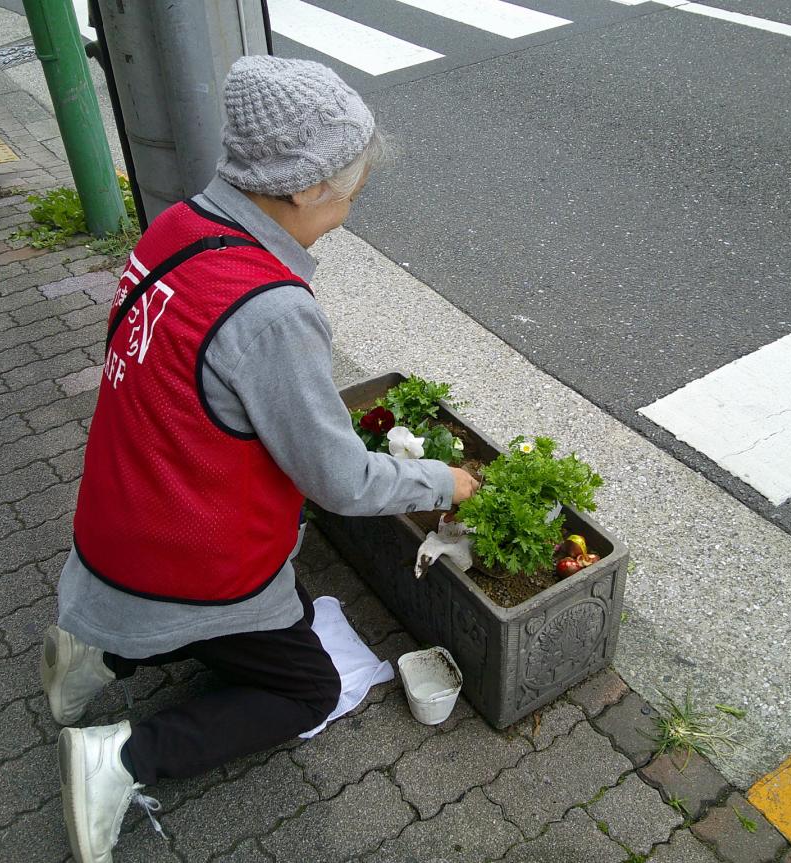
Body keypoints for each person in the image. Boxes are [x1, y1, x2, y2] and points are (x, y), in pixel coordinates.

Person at [39, 55, 480, 863]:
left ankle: (99, 647)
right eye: (351, 191)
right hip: (184, 554)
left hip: (116, 524)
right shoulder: (272, 309)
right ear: (305, 189)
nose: (350, 208)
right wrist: (442, 482)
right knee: (306, 687)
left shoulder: (177, 226)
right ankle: (121, 758)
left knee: (292, 608)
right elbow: (341, 480)